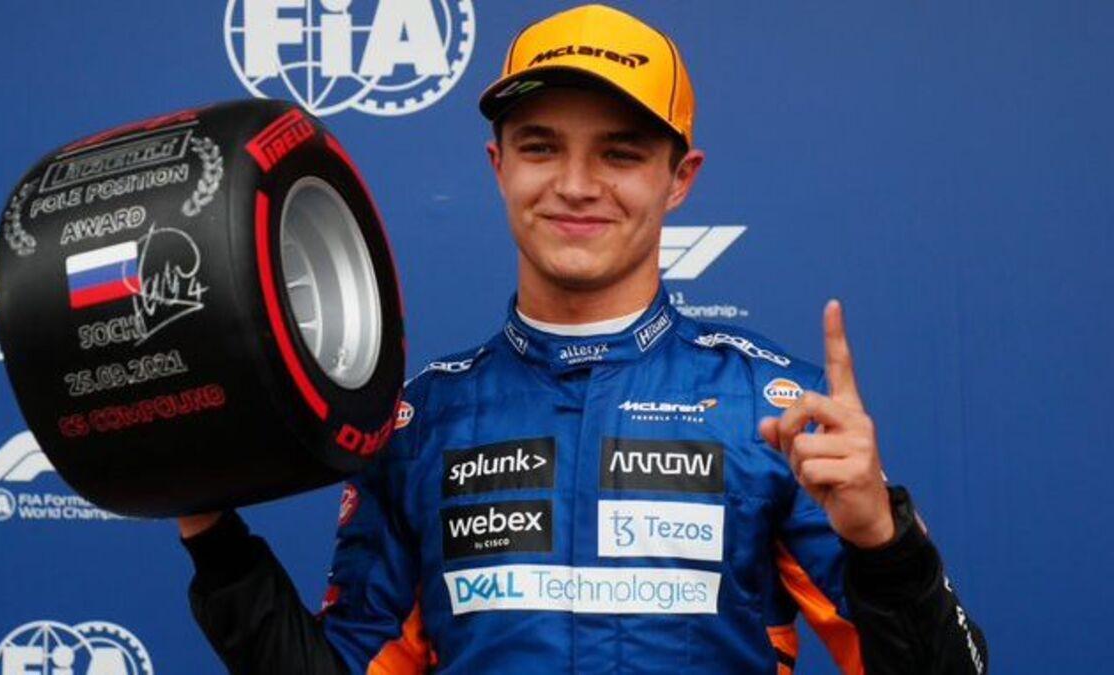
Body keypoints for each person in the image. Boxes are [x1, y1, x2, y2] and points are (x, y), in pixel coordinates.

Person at [179, 4, 988, 673]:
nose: (574, 184)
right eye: (541, 147)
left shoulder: (775, 413)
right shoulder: (420, 424)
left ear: (680, 178)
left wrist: (883, 541)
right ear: (498, 165)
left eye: (620, 153)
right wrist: (210, 530)